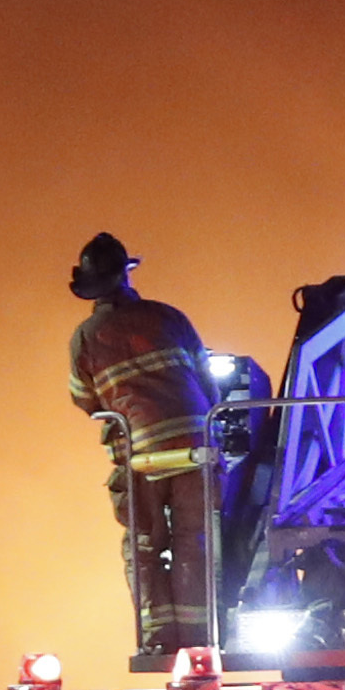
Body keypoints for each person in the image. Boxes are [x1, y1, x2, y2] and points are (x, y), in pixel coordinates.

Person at [66, 229, 222, 665]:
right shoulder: (169, 317)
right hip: (197, 445)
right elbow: (207, 382)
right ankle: (198, 640)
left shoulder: (85, 338)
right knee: (194, 541)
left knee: (143, 543)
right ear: (127, 276)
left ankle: (158, 637)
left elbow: (84, 399)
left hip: (142, 454)